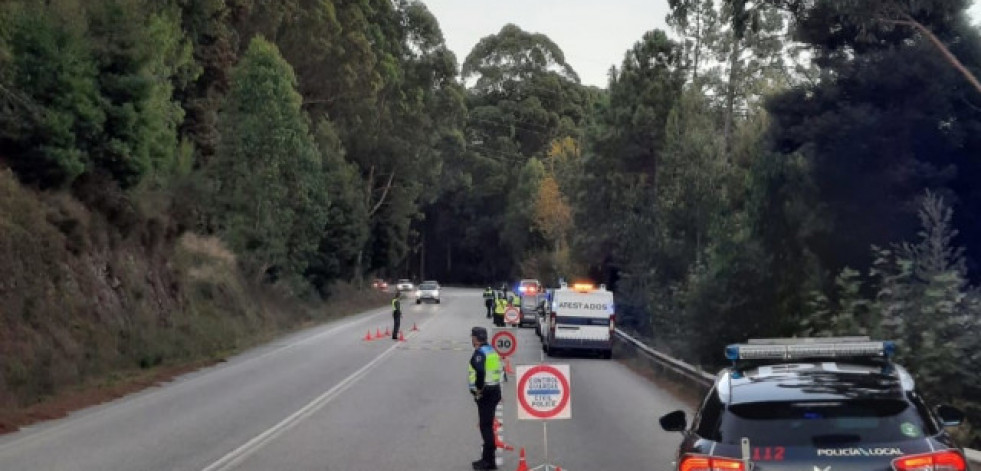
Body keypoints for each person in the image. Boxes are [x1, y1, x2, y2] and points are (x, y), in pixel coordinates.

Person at [468, 326, 502, 470]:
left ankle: (488, 462)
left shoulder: (480, 353)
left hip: (486, 392)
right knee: (487, 425)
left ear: (476, 338)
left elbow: (480, 370)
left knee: (485, 427)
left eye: (472, 336)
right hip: (494, 390)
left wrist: (479, 389)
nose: (471, 339)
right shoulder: (491, 350)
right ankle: (488, 460)